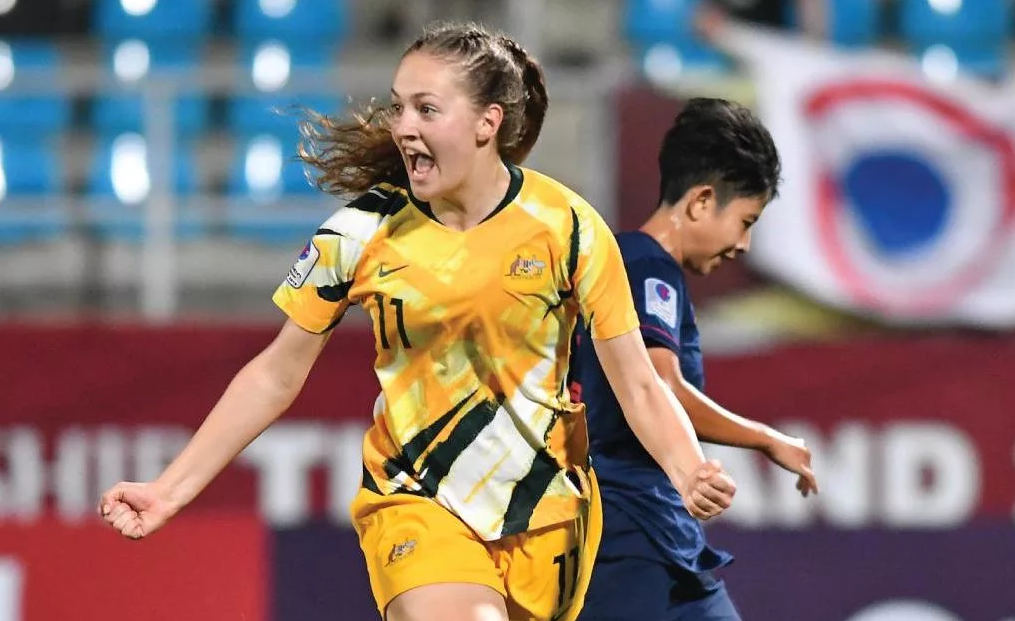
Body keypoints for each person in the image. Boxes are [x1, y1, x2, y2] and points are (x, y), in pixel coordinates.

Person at [97, 22, 737, 621]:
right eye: (399, 106)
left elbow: (638, 384)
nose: (403, 126)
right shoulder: (362, 231)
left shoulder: (568, 228)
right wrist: (171, 489)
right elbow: (275, 374)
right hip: (416, 501)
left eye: (426, 110)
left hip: (550, 523)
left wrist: (686, 468)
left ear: (488, 123)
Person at [569, 98, 820, 621]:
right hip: (630, 532)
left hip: (659, 534)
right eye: (745, 221)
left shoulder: (639, 265)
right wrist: (767, 438)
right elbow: (659, 384)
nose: (745, 244)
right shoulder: (644, 267)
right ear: (702, 201)